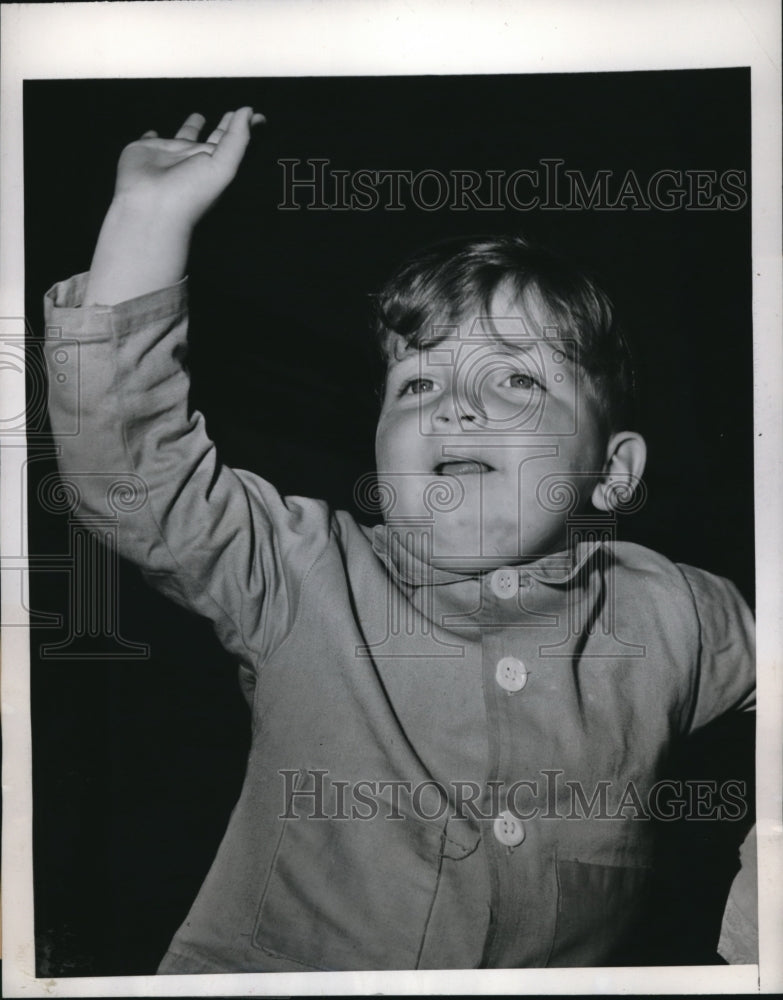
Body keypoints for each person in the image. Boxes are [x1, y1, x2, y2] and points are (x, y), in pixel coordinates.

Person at [43, 108, 756, 972]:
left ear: (612, 472)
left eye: (517, 377)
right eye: (418, 382)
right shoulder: (300, 572)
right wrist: (148, 224)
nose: (455, 404)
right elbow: (133, 475)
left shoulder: (676, 611)